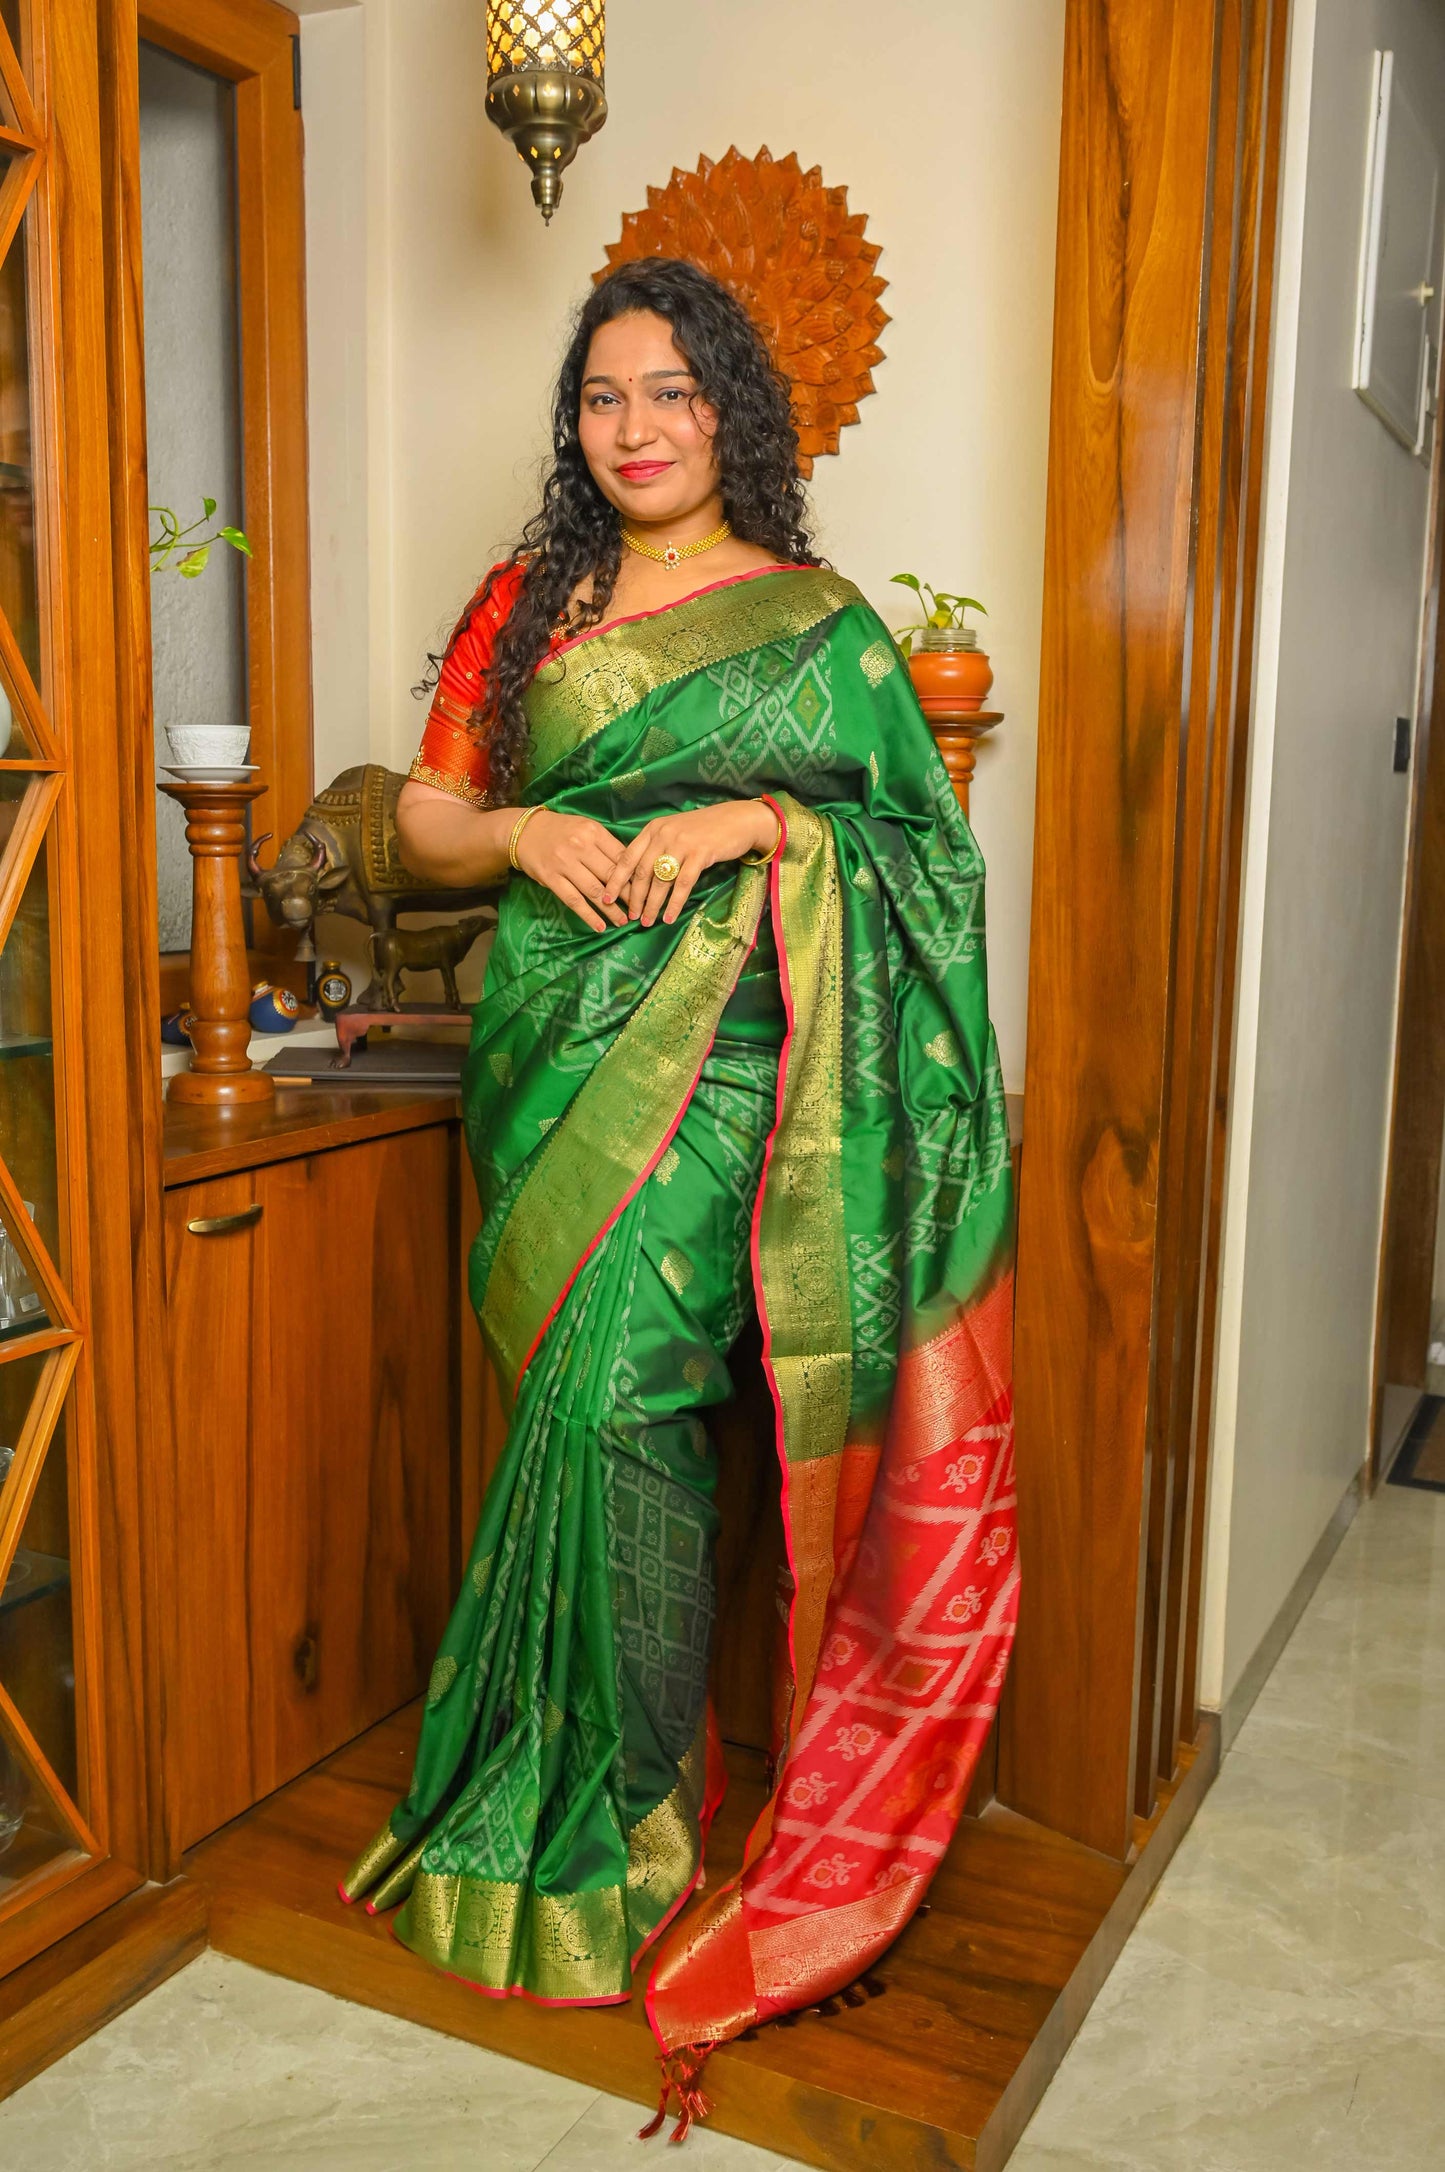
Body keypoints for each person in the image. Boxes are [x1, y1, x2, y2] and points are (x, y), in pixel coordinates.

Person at [341, 258, 1017, 2135]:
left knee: (631, 1398)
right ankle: (541, 1796)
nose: (635, 429)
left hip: (734, 1069)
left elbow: (921, 859)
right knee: (572, 1403)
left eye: (673, 395)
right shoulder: (529, 601)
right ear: (576, 422)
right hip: (550, 1050)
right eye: (604, 397)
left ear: (734, 415)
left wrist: (760, 820)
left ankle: (624, 1819)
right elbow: (422, 816)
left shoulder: (821, 626)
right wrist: (524, 829)